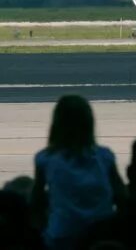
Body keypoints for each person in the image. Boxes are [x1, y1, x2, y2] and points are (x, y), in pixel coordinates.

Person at [29, 95, 125, 249]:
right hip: (102, 234)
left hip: (61, 236)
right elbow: (121, 196)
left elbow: (36, 203)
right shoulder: (104, 156)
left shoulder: (45, 158)